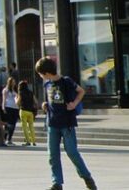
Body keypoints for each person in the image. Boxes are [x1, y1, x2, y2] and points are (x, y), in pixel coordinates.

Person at [36, 57, 97, 190]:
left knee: (72, 152)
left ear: (46, 73)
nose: (41, 76)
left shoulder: (66, 81)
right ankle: (56, 183)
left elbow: (81, 91)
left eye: (41, 74)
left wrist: (74, 104)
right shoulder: (47, 85)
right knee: (52, 155)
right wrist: (44, 105)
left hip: (67, 123)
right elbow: (48, 100)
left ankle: (87, 178)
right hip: (52, 123)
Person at [16, 80, 38, 147]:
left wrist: (15, 99)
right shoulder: (31, 92)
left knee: (24, 127)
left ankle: (28, 141)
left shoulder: (21, 93)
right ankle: (34, 141)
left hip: (23, 110)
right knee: (31, 126)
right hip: (30, 111)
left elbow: (18, 102)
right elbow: (36, 102)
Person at [1, 77, 19, 146]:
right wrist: (3, 107)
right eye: (13, 82)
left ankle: (9, 138)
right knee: (8, 124)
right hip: (8, 107)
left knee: (13, 124)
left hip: (15, 108)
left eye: (14, 82)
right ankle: (6, 138)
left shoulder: (15, 90)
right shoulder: (6, 90)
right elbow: (4, 99)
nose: (14, 83)